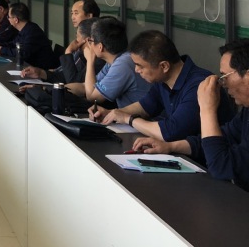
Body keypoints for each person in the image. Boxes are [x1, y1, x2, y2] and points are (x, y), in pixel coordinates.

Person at [133, 39, 249, 191]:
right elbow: (225, 137)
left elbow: (222, 167)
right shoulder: (246, 111)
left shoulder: (196, 81)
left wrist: (207, 109)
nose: (223, 84)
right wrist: (170, 146)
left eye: (225, 76)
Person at [91, 31, 233, 140]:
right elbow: (145, 106)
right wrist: (112, 114)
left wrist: (128, 119)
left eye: (140, 66)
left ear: (164, 66)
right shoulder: (163, 80)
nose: (136, 70)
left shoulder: (198, 85)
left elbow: (170, 132)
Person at [67, 17, 150, 108]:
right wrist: (60, 89)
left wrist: (90, 61)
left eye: (91, 41)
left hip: (142, 116)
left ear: (100, 47)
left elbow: (92, 97)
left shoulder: (123, 64)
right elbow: (86, 87)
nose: (89, 45)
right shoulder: (113, 61)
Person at [0, 2, 57, 70]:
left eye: (9, 17)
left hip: (43, 71)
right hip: (30, 67)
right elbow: (14, 43)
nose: (8, 19)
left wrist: (2, 50)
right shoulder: (26, 28)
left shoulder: (33, 32)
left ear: (16, 20)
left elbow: (23, 53)